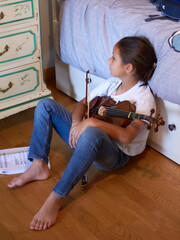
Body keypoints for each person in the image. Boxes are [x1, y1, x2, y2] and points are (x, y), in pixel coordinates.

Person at [8, 36, 157, 231]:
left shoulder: (143, 99)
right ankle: (38, 164)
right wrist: (77, 123)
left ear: (128, 67)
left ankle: (56, 197)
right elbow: (82, 103)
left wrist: (91, 122)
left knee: (92, 133)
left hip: (115, 153)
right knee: (45, 105)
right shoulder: (112, 83)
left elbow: (126, 137)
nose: (108, 60)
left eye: (113, 57)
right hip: (86, 134)